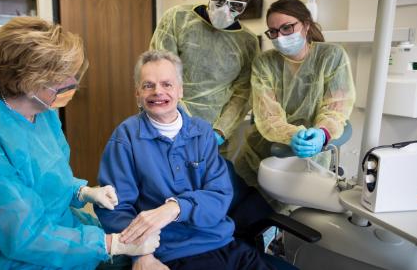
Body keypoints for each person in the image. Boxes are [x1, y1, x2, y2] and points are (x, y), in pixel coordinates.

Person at [0, 17, 159, 269]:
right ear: (30, 81)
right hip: (7, 252)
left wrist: (80, 191)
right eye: (63, 77)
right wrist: (110, 244)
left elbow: (44, 174)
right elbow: (22, 237)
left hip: (55, 227)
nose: (73, 82)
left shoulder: (41, 109)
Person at [95, 50, 297, 270]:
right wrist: (141, 254)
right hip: (169, 253)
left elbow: (219, 196)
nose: (157, 92)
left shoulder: (201, 132)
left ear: (181, 90)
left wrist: (175, 208)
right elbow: (115, 208)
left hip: (222, 242)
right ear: (137, 93)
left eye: (167, 84)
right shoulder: (125, 138)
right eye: (148, 85)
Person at [149, 0, 267, 149]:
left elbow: (243, 94)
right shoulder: (177, 19)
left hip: (213, 139)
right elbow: (159, 75)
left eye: (236, 5)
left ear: (246, 5)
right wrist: (180, 123)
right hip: (165, 127)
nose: (224, 9)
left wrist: (219, 131)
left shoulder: (247, 42)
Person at [235, 0, 356, 192]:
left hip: (310, 160)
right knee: (240, 208)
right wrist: (293, 135)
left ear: (306, 25)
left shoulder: (332, 56)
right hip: (262, 155)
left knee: (281, 214)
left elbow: (337, 108)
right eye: (273, 32)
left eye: (287, 28)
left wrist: (321, 134)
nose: (280, 37)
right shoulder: (264, 63)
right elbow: (268, 116)